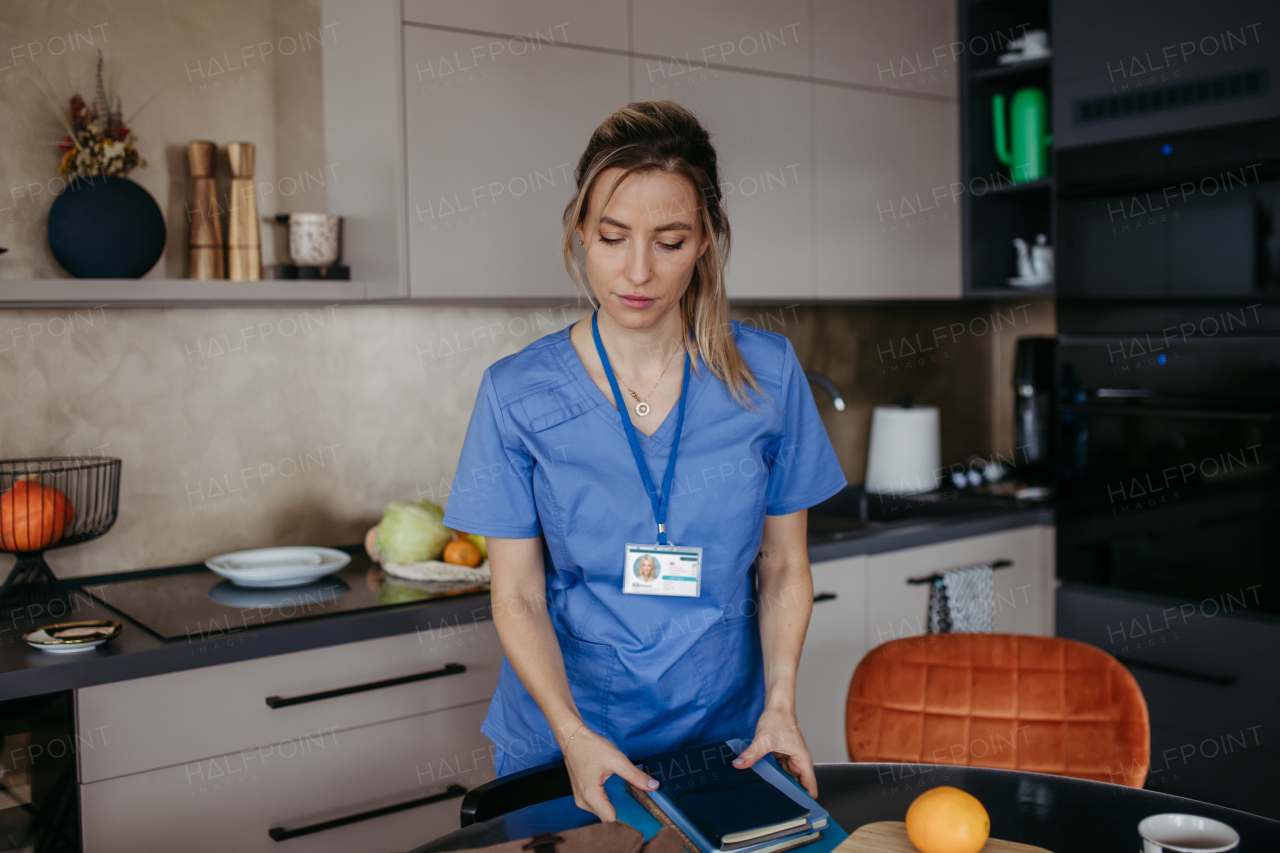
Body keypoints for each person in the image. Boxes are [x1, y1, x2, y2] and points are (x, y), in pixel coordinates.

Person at [442, 100, 846, 822]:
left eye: (669, 240)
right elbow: (518, 595)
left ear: (706, 243)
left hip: (724, 735)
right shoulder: (517, 393)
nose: (637, 269)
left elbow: (784, 565)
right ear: (580, 234)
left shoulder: (768, 374)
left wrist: (782, 701)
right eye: (612, 236)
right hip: (565, 740)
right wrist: (573, 735)